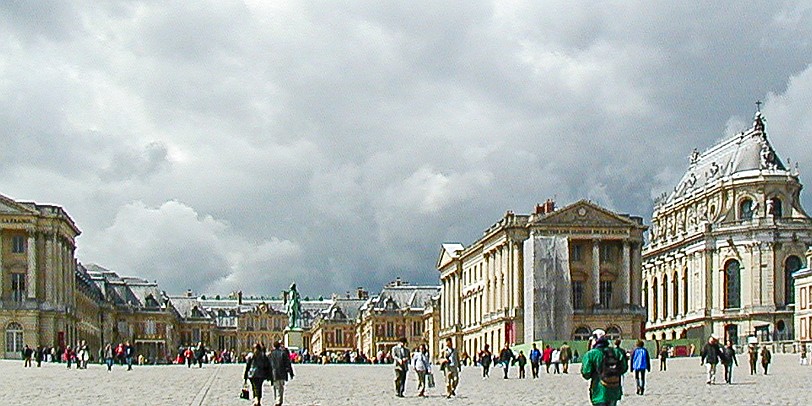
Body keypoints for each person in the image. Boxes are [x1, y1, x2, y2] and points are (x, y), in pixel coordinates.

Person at [581, 329, 628, 406]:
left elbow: (586, 373)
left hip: (599, 391)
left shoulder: (591, 354)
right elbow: (624, 368)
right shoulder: (616, 352)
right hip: (614, 390)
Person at [269, 341, 295, 405]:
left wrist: (267, 374)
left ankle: (277, 400)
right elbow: (288, 364)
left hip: (274, 373)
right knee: (281, 387)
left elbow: (268, 365)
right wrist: (291, 373)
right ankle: (279, 400)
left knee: (276, 387)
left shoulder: (271, 354)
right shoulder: (283, 353)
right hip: (282, 373)